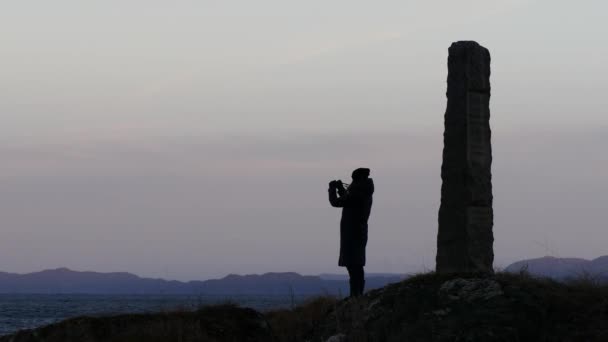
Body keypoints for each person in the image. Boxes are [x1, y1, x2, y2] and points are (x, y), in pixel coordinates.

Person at [328, 168, 374, 297]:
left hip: (352, 234)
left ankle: (356, 294)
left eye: (354, 180)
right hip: (358, 232)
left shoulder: (358, 194)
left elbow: (336, 202)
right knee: (356, 265)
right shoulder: (363, 193)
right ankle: (357, 293)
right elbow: (347, 201)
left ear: (358, 180)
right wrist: (341, 190)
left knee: (353, 266)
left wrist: (332, 188)